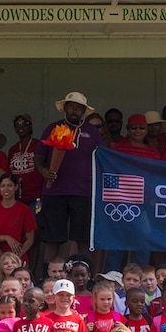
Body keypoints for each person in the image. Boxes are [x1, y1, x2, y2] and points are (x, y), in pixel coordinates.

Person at [40, 91, 105, 263]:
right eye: (72, 106)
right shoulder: (52, 128)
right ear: (65, 108)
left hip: (83, 192)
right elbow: (38, 156)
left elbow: (103, 158)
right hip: (54, 191)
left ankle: (84, 273)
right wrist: (43, 170)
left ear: (83, 111)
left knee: (83, 237)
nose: (75, 110)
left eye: (79, 108)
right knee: (52, 237)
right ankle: (48, 276)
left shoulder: (92, 132)